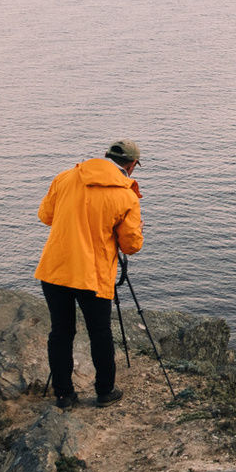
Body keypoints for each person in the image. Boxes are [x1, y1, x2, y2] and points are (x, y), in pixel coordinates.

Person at [34, 140, 146, 409]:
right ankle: (105, 391)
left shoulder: (65, 177)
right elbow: (131, 246)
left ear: (105, 155)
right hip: (92, 275)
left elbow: (45, 216)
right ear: (131, 165)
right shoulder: (126, 195)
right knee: (100, 333)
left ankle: (64, 395)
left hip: (55, 269)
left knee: (61, 332)